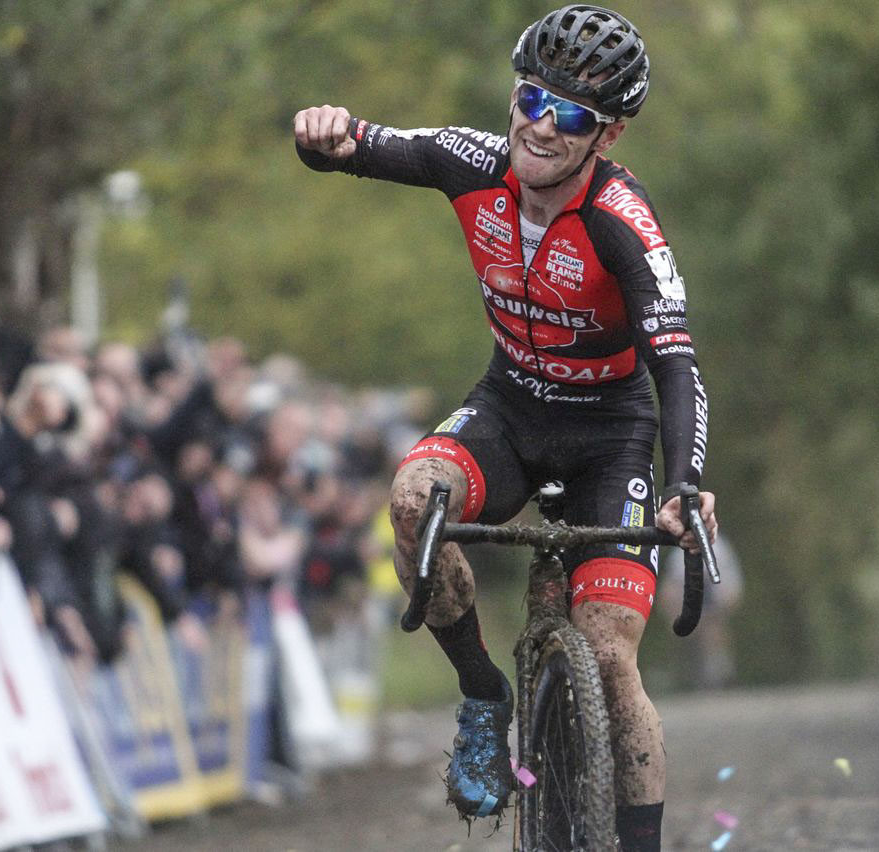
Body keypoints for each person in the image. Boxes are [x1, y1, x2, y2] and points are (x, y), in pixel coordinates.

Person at [294, 6, 717, 848]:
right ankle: (484, 694)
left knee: (607, 657)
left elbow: (679, 365)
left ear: (609, 134)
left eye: (568, 116)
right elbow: (355, 145)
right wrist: (321, 135)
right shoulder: (469, 162)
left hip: (612, 433)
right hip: (510, 407)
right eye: (530, 99)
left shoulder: (620, 220)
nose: (539, 125)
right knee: (415, 500)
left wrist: (685, 486)